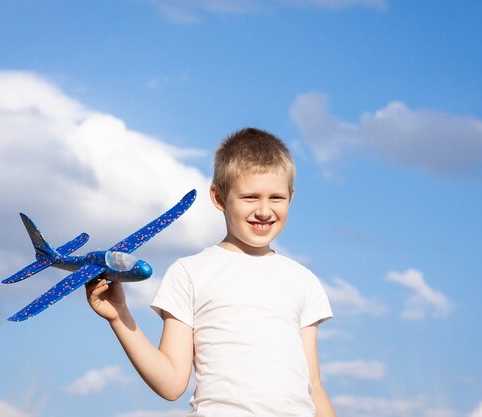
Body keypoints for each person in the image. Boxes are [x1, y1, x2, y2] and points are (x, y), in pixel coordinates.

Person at [86, 128, 337, 417]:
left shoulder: (303, 281)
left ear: (291, 196)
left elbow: (313, 387)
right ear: (219, 197)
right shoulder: (190, 273)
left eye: (276, 198)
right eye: (250, 197)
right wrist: (120, 316)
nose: (265, 210)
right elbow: (170, 383)